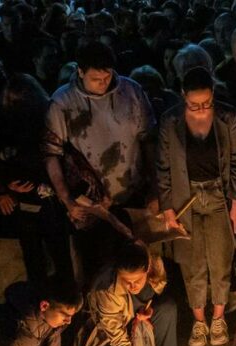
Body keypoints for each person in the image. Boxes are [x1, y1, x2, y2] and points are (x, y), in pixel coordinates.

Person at [42, 40, 156, 284]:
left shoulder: (132, 92)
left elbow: (149, 141)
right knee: (100, 275)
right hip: (91, 205)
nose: (103, 83)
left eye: (107, 77)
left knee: (136, 269)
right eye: (96, 79)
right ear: (80, 72)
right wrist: (67, 200)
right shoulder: (62, 103)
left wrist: (154, 188)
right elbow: (52, 155)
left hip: (132, 198)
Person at [158, 67, 236, 346]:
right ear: (183, 96)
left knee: (220, 258)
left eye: (206, 103)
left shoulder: (227, 117)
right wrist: (168, 209)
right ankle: (198, 321)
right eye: (194, 104)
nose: (200, 109)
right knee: (192, 261)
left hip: (218, 194)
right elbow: (163, 167)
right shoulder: (171, 121)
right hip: (187, 197)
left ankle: (218, 316)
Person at [0, 73, 73, 286]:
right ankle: (44, 306)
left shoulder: (48, 123)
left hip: (51, 201)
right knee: (34, 258)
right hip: (24, 204)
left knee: (60, 255)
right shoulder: (5, 127)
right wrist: (5, 185)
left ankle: (65, 301)